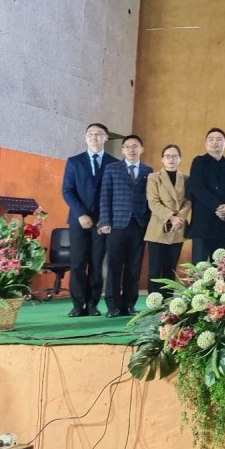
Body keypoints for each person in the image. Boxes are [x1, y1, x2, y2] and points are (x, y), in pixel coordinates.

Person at [61, 122, 119, 317]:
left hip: (102, 222)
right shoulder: (74, 161)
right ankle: (77, 305)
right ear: (86, 138)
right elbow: (67, 191)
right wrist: (81, 214)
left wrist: (105, 219)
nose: (94, 137)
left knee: (96, 263)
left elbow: (114, 194)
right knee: (77, 263)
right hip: (78, 220)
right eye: (90, 134)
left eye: (99, 134)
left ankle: (92, 304)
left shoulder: (114, 163)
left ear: (106, 138)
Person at [98, 135, 153, 317]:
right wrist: (105, 221)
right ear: (122, 150)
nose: (131, 150)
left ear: (141, 149)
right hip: (116, 224)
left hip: (139, 224)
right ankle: (112, 305)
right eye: (127, 147)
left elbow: (150, 199)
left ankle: (129, 304)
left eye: (135, 146)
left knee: (134, 266)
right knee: (114, 265)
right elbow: (105, 196)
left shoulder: (148, 171)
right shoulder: (111, 169)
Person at [144, 143, 191, 297]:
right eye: (168, 156)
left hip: (177, 229)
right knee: (155, 270)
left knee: (170, 268)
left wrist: (179, 218)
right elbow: (153, 202)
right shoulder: (154, 177)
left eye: (174, 156)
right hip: (158, 227)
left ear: (180, 159)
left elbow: (188, 201)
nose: (171, 159)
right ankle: (154, 303)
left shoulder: (186, 178)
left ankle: (168, 304)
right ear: (162, 160)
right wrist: (171, 217)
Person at [188, 127, 225, 263]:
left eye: (219, 139)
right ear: (206, 144)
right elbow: (197, 189)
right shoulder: (198, 162)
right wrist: (218, 207)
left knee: (221, 268)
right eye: (211, 139)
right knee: (199, 268)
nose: (215, 142)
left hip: (223, 222)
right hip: (202, 224)